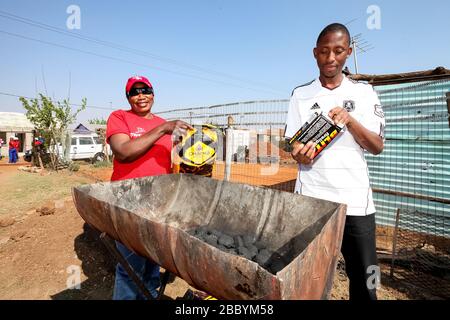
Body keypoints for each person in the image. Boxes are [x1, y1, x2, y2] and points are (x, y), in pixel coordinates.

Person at [285, 23, 385, 300]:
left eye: (338, 51)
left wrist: (350, 121)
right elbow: (291, 144)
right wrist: (298, 153)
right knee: (308, 277)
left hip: (355, 203)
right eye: (325, 51)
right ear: (315, 53)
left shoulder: (365, 93)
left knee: (366, 280)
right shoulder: (300, 94)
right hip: (312, 201)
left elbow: (377, 146)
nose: (331, 58)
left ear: (348, 53)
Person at [106, 75, 191, 300]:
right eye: (134, 92)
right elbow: (123, 152)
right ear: (128, 97)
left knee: (153, 261)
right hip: (129, 199)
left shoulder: (165, 125)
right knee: (130, 266)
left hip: (160, 200)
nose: (140, 95)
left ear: (153, 93)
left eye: (145, 90)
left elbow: (173, 160)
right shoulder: (119, 117)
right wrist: (163, 129)